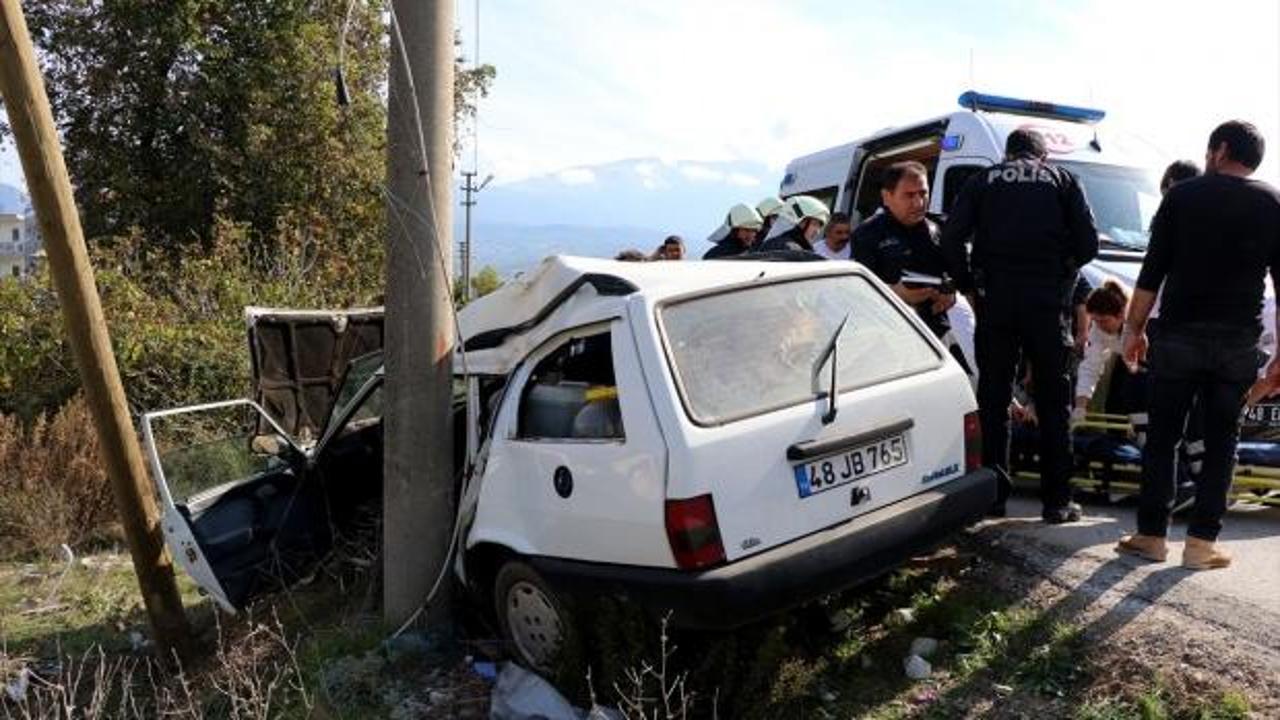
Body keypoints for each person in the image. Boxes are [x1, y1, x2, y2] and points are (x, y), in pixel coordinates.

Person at [1117, 120, 1280, 570]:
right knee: (1222, 440)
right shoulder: (1272, 202)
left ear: (1220, 149)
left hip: (1179, 337)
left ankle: (1151, 536)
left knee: (1163, 437)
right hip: (1238, 343)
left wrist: (1133, 330)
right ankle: (1201, 546)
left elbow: (1152, 272)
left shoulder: (1182, 196)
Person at [942, 128, 1100, 523]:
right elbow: (1088, 246)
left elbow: (951, 238)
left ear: (1008, 154)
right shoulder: (1063, 180)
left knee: (993, 400)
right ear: (1041, 156)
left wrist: (969, 284)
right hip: (1047, 306)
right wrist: (1061, 277)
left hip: (996, 302)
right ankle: (1057, 501)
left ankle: (993, 498)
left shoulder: (983, 180)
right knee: (1053, 403)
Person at [852, 161, 972, 379]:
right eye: (909, 195)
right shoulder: (867, 235)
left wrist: (951, 289)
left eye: (923, 193)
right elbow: (857, 292)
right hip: (893, 336)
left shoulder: (941, 227)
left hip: (943, 327)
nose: (918, 202)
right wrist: (895, 293)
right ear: (887, 197)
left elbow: (963, 269)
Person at [755, 195, 829, 253]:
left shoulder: (774, 243)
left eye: (819, 226)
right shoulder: (791, 250)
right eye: (814, 224)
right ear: (801, 222)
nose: (817, 231)